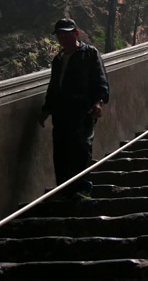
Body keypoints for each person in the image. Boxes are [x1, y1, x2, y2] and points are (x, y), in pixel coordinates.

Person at [39, 18, 110, 199]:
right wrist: (47, 109)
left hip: (82, 111)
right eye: (60, 35)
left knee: (81, 148)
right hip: (61, 112)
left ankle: (83, 188)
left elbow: (100, 79)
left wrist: (98, 101)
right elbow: (54, 85)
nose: (63, 38)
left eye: (66, 34)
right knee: (61, 151)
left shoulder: (90, 54)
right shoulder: (59, 59)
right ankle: (64, 190)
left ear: (76, 33)